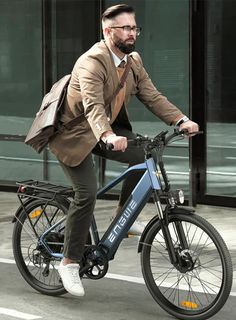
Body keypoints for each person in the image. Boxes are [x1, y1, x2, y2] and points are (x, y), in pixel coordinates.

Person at [49, 4, 199, 297]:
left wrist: (180, 119)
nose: (133, 33)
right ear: (108, 31)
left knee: (143, 156)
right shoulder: (91, 62)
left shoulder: (133, 60)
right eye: (126, 28)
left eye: (134, 27)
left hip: (107, 131)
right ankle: (68, 262)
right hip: (75, 136)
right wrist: (106, 134)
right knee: (86, 193)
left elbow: (151, 95)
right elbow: (92, 106)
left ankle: (124, 218)